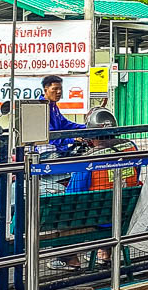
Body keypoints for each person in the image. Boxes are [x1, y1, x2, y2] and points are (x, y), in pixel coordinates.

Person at [49, 108, 137, 272]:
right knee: (108, 201)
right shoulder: (131, 148)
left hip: (98, 219)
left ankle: (70, 260)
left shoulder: (89, 158)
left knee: (62, 216)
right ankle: (105, 255)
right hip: (124, 214)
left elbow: (72, 196)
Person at [40, 75, 81, 158]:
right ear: (46, 90)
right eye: (55, 89)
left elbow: (65, 124)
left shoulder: (53, 106)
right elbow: (50, 137)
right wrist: (72, 140)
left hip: (59, 148)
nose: (58, 92)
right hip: (47, 151)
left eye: (60, 89)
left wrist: (87, 127)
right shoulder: (41, 108)